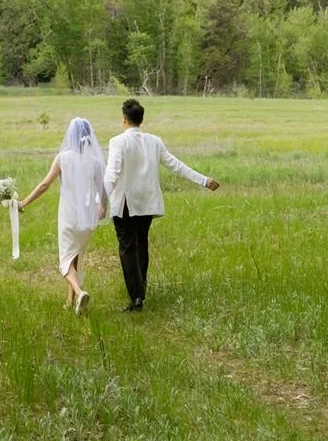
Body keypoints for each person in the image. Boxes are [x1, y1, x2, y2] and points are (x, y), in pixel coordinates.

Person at [103, 98, 220, 312]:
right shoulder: (154, 141)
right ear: (142, 119)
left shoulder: (117, 142)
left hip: (126, 204)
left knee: (127, 248)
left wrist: (100, 199)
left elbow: (112, 174)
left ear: (124, 120)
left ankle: (136, 296)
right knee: (141, 245)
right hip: (147, 203)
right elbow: (175, 165)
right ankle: (140, 293)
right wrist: (203, 180)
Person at [17, 117, 107, 314]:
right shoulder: (95, 162)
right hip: (88, 217)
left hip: (69, 216)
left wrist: (23, 203)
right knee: (75, 256)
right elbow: (103, 189)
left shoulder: (63, 158)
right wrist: (103, 208)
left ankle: (79, 291)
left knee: (65, 261)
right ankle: (70, 300)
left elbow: (44, 185)